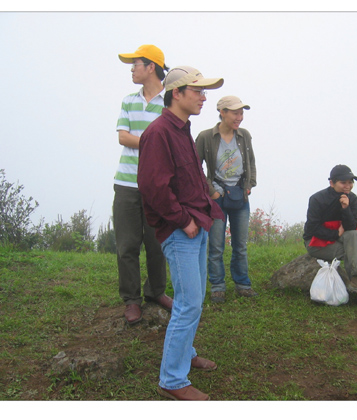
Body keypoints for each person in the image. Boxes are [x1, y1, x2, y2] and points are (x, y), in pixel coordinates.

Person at [138, 66, 225, 401]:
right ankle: (172, 380)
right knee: (188, 303)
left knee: (194, 298)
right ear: (177, 93)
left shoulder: (182, 130)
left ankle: (185, 354)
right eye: (198, 91)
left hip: (196, 224)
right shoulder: (159, 132)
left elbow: (187, 178)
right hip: (180, 229)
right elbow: (152, 187)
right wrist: (183, 220)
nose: (204, 97)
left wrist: (206, 207)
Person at [113, 45, 174, 325]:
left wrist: (148, 143)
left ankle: (156, 292)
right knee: (127, 245)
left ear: (151, 66)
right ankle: (132, 300)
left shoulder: (169, 104)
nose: (132, 69)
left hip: (157, 185)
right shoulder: (128, 100)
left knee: (157, 243)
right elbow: (123, 138)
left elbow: (171, 143)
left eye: (135, 63)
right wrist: (153, 143)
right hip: (125, 183)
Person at [195, 96, 257, 303]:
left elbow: (251, 161)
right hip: (216, 198)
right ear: (222, 112)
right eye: (235, 113)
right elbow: (194, 168)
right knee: (216, 245)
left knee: (240, 245)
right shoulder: (205, 137)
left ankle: (242, 284)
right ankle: (218, 286)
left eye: (241, 113)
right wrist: (211, 190)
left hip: (239, 195)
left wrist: (249, 185)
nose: (239, 117)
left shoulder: (244, 136)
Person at [303, 165, 357, 309]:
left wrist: (345, 208)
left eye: (350, 182)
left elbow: (352, 226)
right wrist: (336, 234)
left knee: (355, 235)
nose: (348, 186)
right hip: (316, 243)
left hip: (342, 238)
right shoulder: (317, 199)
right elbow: (311, 229)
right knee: (354, 252)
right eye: (343, 182)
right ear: (332, 183)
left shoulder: (351, 199)